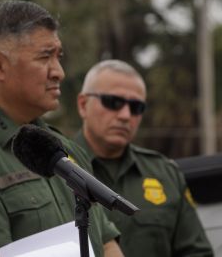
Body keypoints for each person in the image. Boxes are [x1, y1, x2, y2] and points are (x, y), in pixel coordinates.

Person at [0, 0, 124, 257]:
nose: (59, 72)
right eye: (45, 56)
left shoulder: (61, 147)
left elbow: (106, 242)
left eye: (58, 56)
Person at [74, 59, 213, 257]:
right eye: (113, 102)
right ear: (83, 105)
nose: (125, 115)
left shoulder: (165, 174)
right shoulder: (54, 170)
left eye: (136, 107)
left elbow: (197, 253)